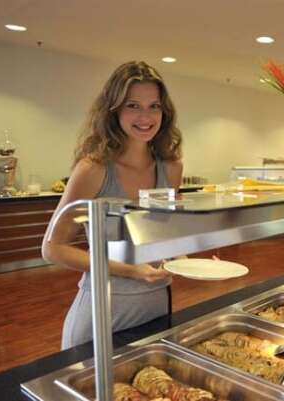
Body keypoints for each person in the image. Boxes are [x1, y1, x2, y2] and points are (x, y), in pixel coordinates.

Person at [42, 61, 183, 349]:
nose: (146, 116)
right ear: (113, 109)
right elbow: (53, 248)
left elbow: (162, 237)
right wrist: (132, 271)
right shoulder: (93, 169)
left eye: (154, 106)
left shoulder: (171, 169)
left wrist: (187, 257)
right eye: (133, 105)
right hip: (102, 311)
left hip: (156, 306)